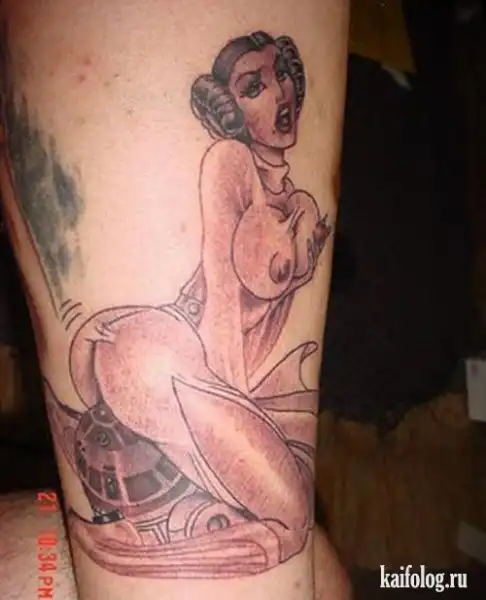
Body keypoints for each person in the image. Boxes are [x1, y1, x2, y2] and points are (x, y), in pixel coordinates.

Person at [0, 1, 350, 598]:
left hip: (187, 369)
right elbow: (220, 300)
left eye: (281, 74)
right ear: (229, 112)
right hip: (159, 355)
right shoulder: (228, 164)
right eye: (253, 87)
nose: (280, 93)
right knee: (289, 528)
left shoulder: (295, 199)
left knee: (321, 568)